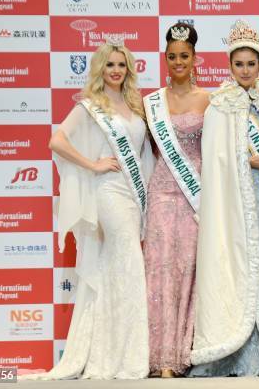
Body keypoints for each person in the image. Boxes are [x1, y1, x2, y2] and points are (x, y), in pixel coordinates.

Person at [21, 40, 153, 379]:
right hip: (108, 192)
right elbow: (57, 140)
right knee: (129, 262)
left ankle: (111, 349)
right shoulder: (91, 106)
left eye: (121, 65)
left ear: (128, 69)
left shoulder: (136, 105)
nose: (115, 71)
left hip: (133, 194)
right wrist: (92, 165)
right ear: (100, 69)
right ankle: (126, 357)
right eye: (109, 65)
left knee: (115, 269)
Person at [188, 20, 259, 377]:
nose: (246, 70)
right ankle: (237, 351)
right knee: (241, 266)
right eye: (239, 64)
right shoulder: (221, 104)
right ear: (230, 65)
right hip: (237, 199)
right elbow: (216, 156)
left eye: (252, 64)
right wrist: (244, 159)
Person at [142, 23, 209, 378]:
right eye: (172, 56)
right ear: (165, 60)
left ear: (195, 59)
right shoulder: (151, 102)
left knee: (190, 270)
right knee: (161, 270)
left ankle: (186, 352)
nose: (178, 61)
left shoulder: (208, 99)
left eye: (184, 56)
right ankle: (161, 357)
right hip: (162, 192)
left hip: (195, 194)